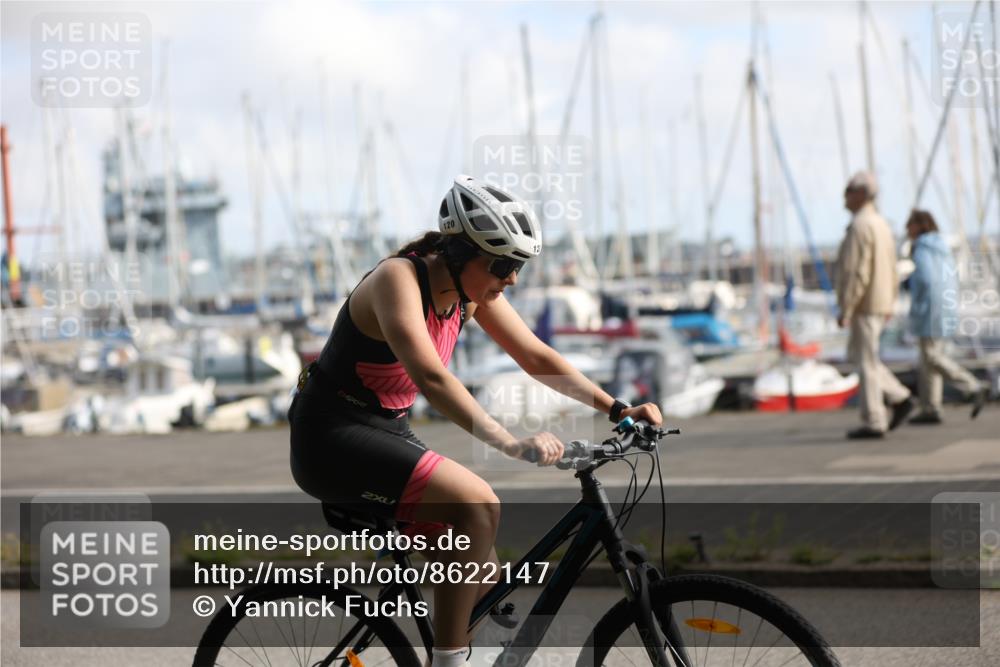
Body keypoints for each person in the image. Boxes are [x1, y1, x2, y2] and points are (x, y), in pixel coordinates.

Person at [288, 175, 662, 667]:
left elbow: (534, 354)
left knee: (481, 571)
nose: (512, 280)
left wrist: (617, 408)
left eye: (519, 266)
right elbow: (432, 378)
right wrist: (508, 442)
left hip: (386, 432)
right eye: (504, 265)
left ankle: (453, 656)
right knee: (479, 504)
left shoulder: (469, 293)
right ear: (462, 252)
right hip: (331, 439)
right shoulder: (398, 280)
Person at [834, 171, 914, 439]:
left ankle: (874, 419)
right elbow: (891, 268)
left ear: (859, 194)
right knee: (862, 357)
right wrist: (890, 301)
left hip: (864, 304)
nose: (843, 197)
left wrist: (846, 307)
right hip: (879, 301)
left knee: (865, 362)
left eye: (847, 191)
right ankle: (898, 397)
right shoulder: (881, 223)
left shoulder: (860, 226)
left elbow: (856, 272)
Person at [904, 209, 987, 424]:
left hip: (929, 309)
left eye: (909, 225)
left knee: (931, 356)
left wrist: (909, 285)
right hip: (945, 306)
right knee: (928, 360)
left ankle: (972, 386)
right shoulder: (941, 247)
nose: (906, 230)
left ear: (919, 225)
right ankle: (931, 408)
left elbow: (924, 278)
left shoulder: (922, 247)